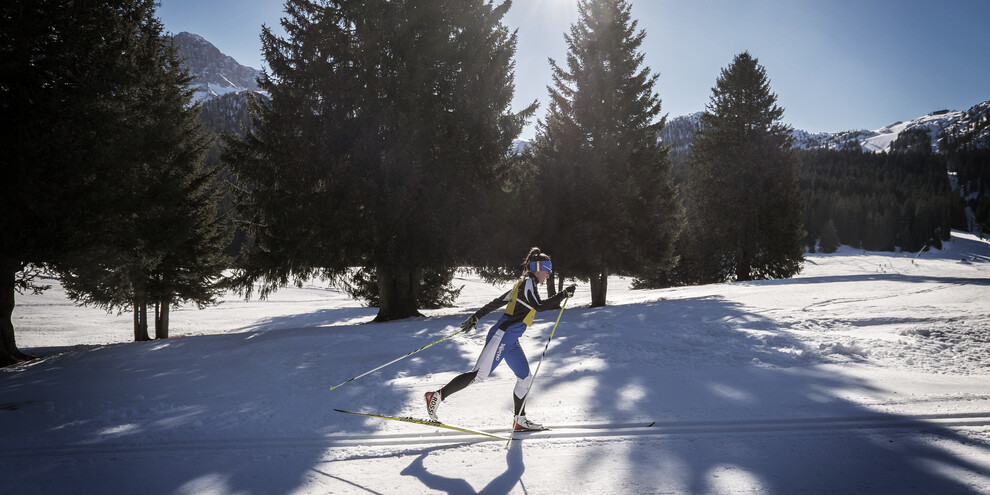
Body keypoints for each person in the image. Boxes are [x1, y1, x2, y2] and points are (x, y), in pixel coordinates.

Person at [424, 247, 576, 431]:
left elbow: (497, 302)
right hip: (502, 336)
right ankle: (437, 396)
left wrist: (476, 317)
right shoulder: (527, 282)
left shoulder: (525, 285)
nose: (549, 274)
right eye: (548, 268)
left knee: (525, 377)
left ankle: (519, 419)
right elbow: (540, 306)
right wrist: (563, 294)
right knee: (477, 375)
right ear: (537, 267)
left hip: (511, 340)